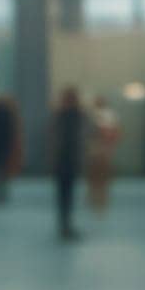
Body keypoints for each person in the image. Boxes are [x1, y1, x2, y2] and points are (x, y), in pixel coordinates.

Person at [53, 87, 86, 240]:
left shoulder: (63, 116)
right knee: (66, 196)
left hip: (64, 161)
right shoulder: (73, 116)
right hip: (67, 161)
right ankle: (65, 225)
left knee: (64, 196)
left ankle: (65, 225)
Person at [85, 94, 121, 213]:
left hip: (103, 147)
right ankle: (93, 195)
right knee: (94, 172)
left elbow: (114, 131)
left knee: (102, 172)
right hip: (94, 146)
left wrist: (110, 142)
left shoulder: (108, 115)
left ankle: (102, 196)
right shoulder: (92, 114)